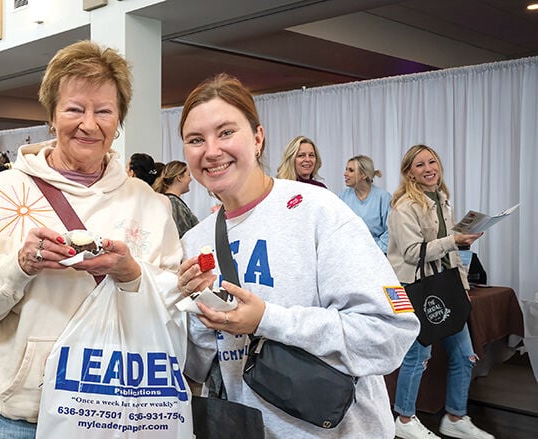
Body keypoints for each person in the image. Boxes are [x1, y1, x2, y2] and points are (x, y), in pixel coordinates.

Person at [0, 40, 183, 438]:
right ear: (52, 116)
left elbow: (176, 310)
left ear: (118, 120)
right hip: (21, 421)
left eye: (104, 111)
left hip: (121, 413)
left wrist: (132, 275)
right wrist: (17, 267)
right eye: (74, 109)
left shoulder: (149, 205)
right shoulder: (3, 194)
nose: (89, 124)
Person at [175, 74, 419, 438]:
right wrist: (198, 315)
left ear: (257, 138)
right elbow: (198, 364)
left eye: (226, 132)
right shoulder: (196, 241)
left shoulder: (316, 210)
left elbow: (389, 333)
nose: (211, 150)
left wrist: (267, 319)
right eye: (196, 140)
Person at [387, 144, 493, 439]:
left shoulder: (442, 200)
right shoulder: (404, 206)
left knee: (464, 355)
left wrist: (462, 285)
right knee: (417, 357)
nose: (428, 168)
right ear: (409, 172)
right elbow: (411, 253)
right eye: (419, 165)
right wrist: (453, 240)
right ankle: (405, 421)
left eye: (432, 162)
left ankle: (455, 417)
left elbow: (450, 252)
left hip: (445, 287)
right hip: (414, 289)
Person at [339, 155, 391, 253]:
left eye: (350, 170)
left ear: (363, 175)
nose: (345, 174)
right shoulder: (343, 196)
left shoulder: (383, 197)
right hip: (349, 253)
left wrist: (373, 250)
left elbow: (390, 231)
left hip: (377, 253)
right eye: (346, 169)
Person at [152, 160, 199, 237]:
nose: (191, 179)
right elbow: (183, 236)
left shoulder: (169, 201)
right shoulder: (174, 203)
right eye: (188, 175)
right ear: (179, 177)